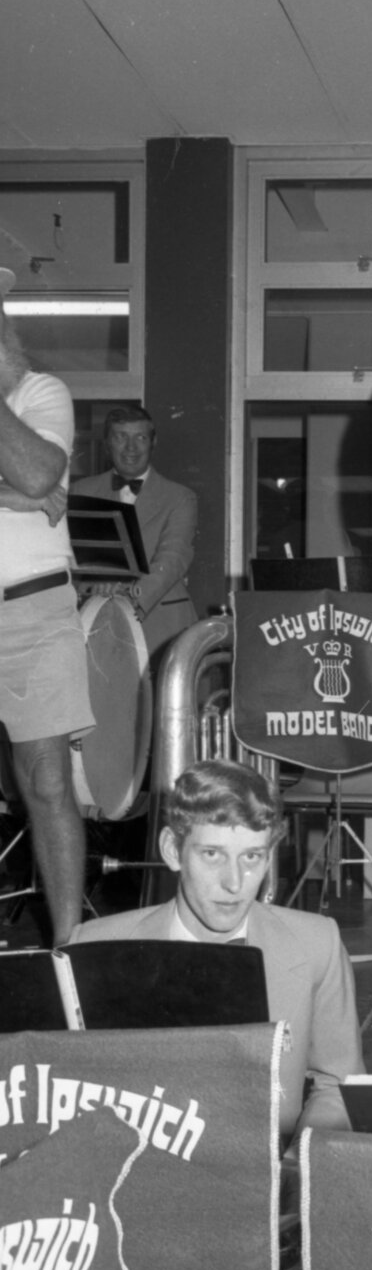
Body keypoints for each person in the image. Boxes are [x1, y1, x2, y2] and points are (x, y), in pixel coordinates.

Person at [70, 758, 364, 1270]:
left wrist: (302, 1159)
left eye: (254, 859)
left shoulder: (313, 942)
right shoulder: (94, 946)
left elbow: (336, 1084)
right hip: (127, 1207)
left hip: (249, 1212)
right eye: (212, 856)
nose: (236, 884)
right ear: (173, 851)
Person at [0, 265, 93, 946]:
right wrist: (22, 500)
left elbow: (37, 472)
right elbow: (30, 488)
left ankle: (68, 954)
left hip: (34, 613)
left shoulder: (44, 392)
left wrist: (27, 490)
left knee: (48, 785)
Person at [73, 403, 198, 668]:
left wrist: (130, 594)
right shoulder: (80, 491)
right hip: (96, 620)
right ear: (107, 443)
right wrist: (93, 588)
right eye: (121, 437)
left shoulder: (180, 497)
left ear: (154, 442)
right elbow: (71, 558)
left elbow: (173, 559)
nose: (131, 448)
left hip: (161, 625)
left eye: (140, 437)